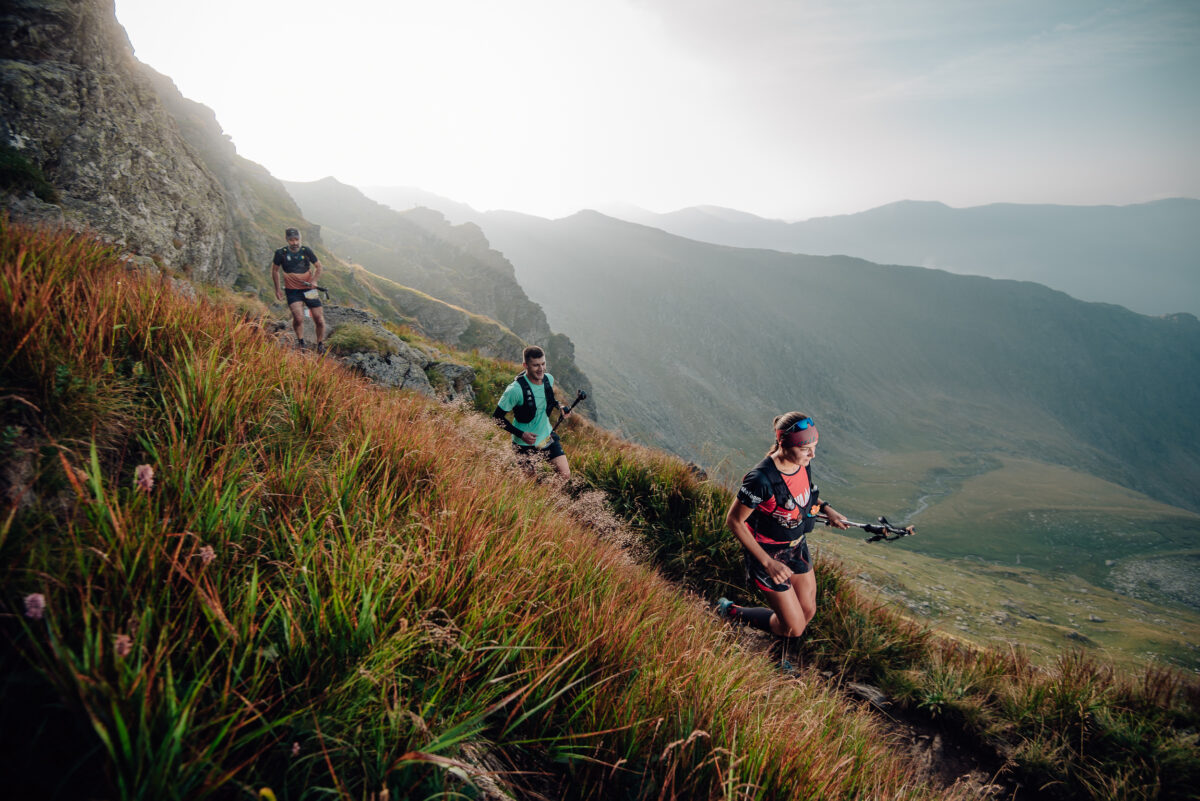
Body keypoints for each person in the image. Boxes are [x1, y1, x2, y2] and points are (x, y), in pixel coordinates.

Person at [718, 412, 849, 650]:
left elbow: (805, 496)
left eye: (815, 446)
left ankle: (778, 651)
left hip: (796, 547)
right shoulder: (760, 479)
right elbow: (734, 521)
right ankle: (731, 611)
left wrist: (828, 510)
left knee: (807, 611)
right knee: (795, 626)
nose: (812, 454)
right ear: (783, 443)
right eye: (805, 448)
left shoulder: (802, 464)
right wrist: (768, 563)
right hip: (767, 553)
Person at [492, 346, 572, 478]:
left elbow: (550, 399)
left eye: (543, 363)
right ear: (525, 365)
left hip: (546, 437)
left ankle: (551, 498)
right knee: (530, 484)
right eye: (536, 365)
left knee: (565, 475)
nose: (541, 369)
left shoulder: (548, 379)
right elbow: (496, 417)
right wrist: (521, 434)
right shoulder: (514, 390)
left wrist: (560, 406)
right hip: (524, 444)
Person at [272, 227, 326, 352]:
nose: (295, 243)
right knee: (298, 318)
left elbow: (318, 266)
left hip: (309, 290)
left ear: (300, 239)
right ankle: (301, 342)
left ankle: (320, 344)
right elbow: (274, 271)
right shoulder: (281, 253)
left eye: (297, 239)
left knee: (319, 318)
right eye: (291, 240)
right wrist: (277, 289)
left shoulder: (306, 250)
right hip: (292, 291)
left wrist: (314, 281)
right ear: (286, 239)